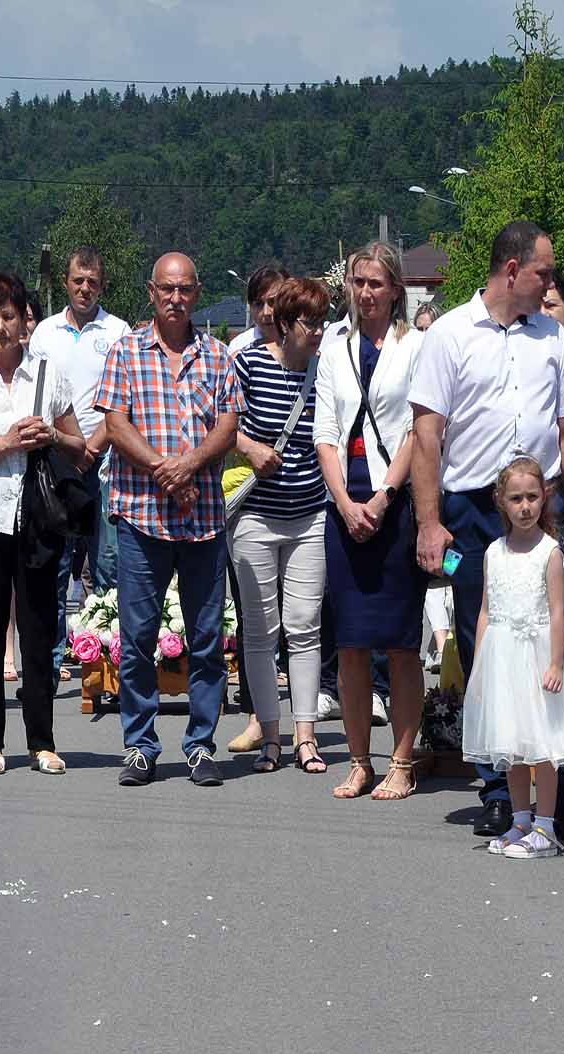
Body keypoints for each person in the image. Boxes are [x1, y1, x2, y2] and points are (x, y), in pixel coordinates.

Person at [410, 219, 564, 843]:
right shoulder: (450, 335)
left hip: (544, 508)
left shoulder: (554, 337)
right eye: (544, 271)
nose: (551, 282)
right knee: (483, 645)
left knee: (553, 642)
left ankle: (562, 794)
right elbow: (427, 436)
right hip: (471, 511)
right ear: (512, 270)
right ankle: (498, 791)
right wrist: (430, 522)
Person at [95, 251, 242, 788]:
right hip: (141, 518)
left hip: (203, 520)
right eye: (167, 289)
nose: (176, 298)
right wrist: (166, 470)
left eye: (184, 289)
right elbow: (116, 424)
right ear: (151, 292)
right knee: (137, 638)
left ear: (197, 293)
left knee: (206, 638)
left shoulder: (218, 356)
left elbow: (228, 426)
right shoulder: (125, 352)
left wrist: (190, 465)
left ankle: (201, 745)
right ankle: (140, 746)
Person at [0, 272, 84, 776]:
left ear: (25, 320)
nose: (1, 327)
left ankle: (42, 741)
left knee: (39, 631)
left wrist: (51, 436)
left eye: (8, 316)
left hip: (38, 520)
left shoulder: (48, 374)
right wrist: (5, 442)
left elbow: (80, 449)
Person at [315, 240, 425, 800]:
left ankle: (402, 761)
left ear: (395, 289)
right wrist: (343, 501)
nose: (365, 293)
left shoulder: (416, 346)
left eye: (376, 283)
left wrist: (383, 498)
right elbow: (324, 431)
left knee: (402, 644)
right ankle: (360, 761)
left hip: (394, 503)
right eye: (358, 282)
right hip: (344, 504)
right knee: (352, 643)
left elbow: (417, 429)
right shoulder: (335, 346)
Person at [461, 457, 564, 856]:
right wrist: (480, 666)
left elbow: (559, 612)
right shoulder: (494, 552)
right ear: (500, 501)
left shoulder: (549, 552)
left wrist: (556, 662)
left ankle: (545, 826)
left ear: (545, 497)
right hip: (503, 658)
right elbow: (486, 611)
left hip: (539, 658)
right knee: (511, 746)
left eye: (531, 497)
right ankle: (520, 820)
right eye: (516, 499)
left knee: (543, 745)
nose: (524, 507)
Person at [230, 274, 331, 774]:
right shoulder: (247, 363)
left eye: (322, 322)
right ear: (287, 324)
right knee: (261, 630)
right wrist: (251, 449)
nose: (318, 331)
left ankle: (305, 737)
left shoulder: (325, 368)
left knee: (305, 626)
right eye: (310, 323)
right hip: (255, 515)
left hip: (310, 513)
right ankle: (270, 735)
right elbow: (222, 425)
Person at [29, 245, 129, 683]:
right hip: (58, 463)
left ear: (102, 286)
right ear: (66, 283)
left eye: (92, 282)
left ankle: (110, 671)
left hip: (107, 462)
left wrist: (93, 446)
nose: (84, 288)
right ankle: (50, 668)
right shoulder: (44, 333)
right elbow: (37, 396)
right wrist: (70, 447)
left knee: (108, 568)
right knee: (55, 570)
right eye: (77, 281)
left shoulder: (119, 331)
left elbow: (124, 398)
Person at [228, 263, 285, 356]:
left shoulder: (304, 344)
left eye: (273, 302)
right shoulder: (239, 347)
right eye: (259, 304)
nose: (266, 312)